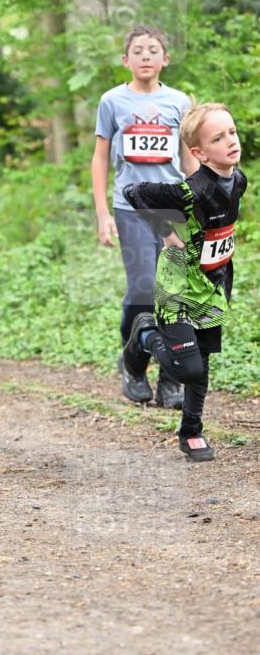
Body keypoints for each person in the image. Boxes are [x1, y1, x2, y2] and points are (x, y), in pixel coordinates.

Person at [121, 103, 246, 462]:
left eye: (232, 132)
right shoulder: (190, 191)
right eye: (217, 138)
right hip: (176, 286)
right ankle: (144, 336)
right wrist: (164, 228)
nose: (230, 141)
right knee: (186, 367)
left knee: (201, 364)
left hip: (211, 284)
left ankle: (191, 432)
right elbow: (134, 192)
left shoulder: (238, 180)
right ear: (199, 153)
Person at [91, 25, 199, 408]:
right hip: (131, 207)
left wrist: (198, 207)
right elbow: (100, 158)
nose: (146, 56)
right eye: (137, 50)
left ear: (165, 59)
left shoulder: (179, 101)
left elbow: (189, 159)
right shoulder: (112, 101)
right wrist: (102, 213)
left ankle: (170, 378)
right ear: (126, 60)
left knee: (173, 293)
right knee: (141, 290)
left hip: (172, 208)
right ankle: (133, 365)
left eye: (153, 50)